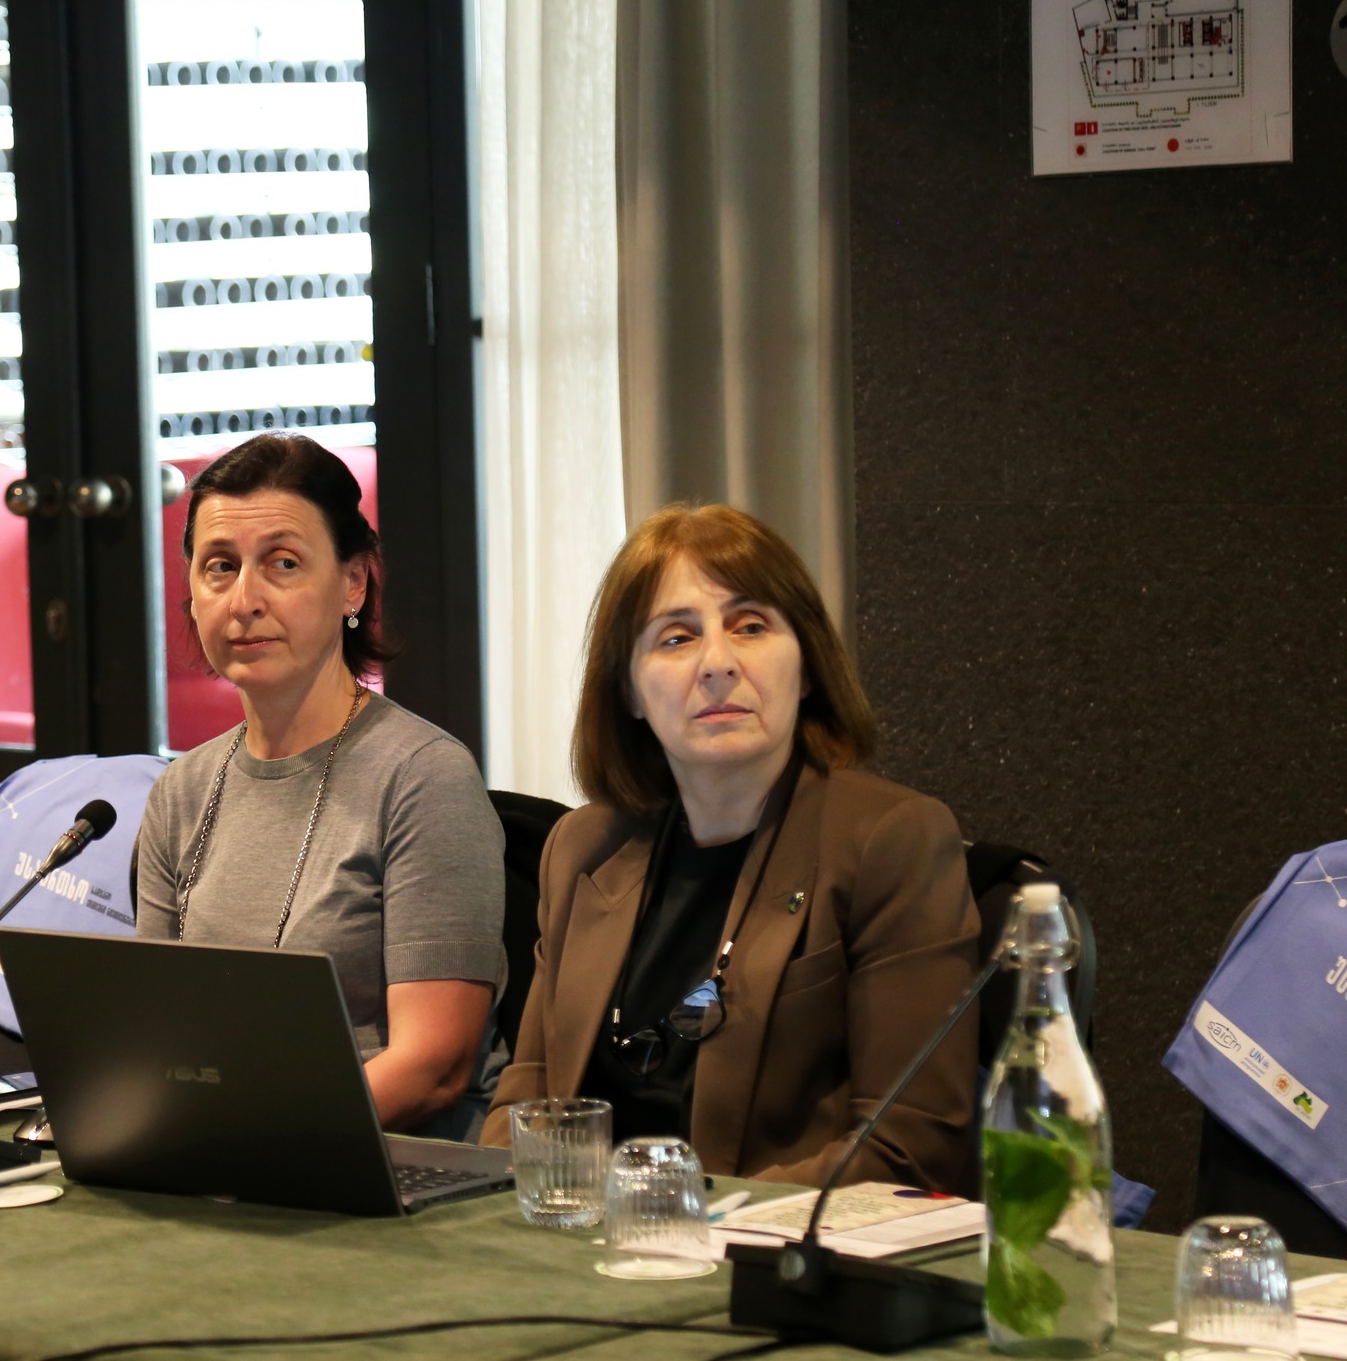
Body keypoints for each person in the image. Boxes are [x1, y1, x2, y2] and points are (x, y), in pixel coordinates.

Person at [483, 503, 980, 1193]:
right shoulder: (583, 848)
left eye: (750, 626)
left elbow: (911, 1146)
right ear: (629, 689)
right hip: (581, 1241)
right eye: (676, 637)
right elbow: (530, 1095)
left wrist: (687, 1218)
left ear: (807, 667)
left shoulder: (891, 839)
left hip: (769, 1247)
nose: (718, 663)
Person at [135, 434, 504, 1133]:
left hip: (384, 1158)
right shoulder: (181, 791)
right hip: (216, 1150)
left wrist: (252, 1136)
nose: (245, 599)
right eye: (220, 567)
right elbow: (160, 1033)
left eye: (283, 563)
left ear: (354, 582)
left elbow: (434, 1066)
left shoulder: (424, 776)